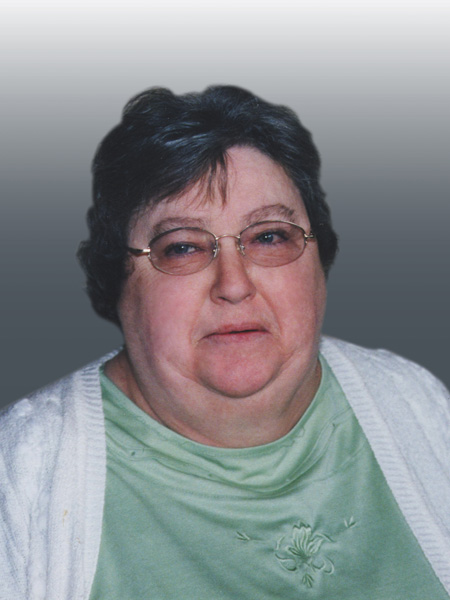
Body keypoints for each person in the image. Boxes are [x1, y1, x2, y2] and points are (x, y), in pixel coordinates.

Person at [1, 85, 449, 600]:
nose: (234, 285)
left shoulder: (416, 400)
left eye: (269, 237)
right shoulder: (21, 472)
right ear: (117, 281)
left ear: (319, 261)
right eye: (183, 247)